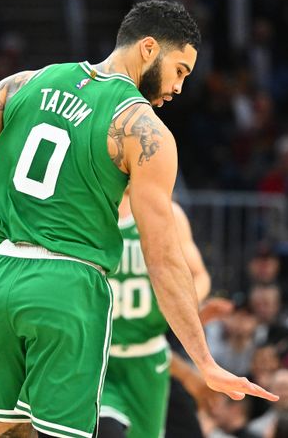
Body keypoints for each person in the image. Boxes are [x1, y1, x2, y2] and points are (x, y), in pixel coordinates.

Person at [0, 0, 278, 438]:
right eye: (180, 70)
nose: (178, 86)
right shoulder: (145, 130)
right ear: (149, 48)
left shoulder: (23, 84)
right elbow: (163, 257)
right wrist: (205, 361)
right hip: (69, 289)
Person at [98, 187, 211, 438]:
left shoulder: (167, 213)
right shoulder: (88, 209)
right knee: (106, 430)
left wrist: (184, 303)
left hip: (147, 355)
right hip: (97, 355)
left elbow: (199, 276)